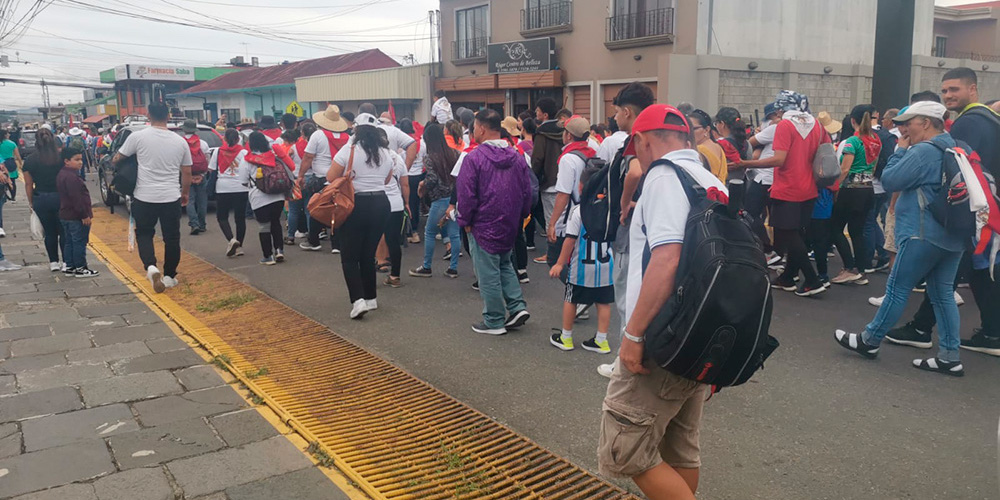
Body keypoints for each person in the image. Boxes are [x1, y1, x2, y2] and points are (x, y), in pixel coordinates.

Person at [598, 104, 727, 500]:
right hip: (700, 331)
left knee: (624, 451)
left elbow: (667, 258)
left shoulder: (663, 178)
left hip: (662, 335)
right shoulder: (707, 178)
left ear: (641, 140)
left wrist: (634, 334)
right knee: (678, 445)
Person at [834, 101, 967, 376]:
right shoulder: (956, 146)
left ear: (926, 123)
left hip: (921, 233)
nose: (904, 128)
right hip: (953, 234)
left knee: (897, 288)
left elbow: (891, 179)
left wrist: (900, 151)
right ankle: (949, 356)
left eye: (910, 122)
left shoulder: (924, 150)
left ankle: (869, 340)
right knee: (942, 294)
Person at [887, 68, 1000, 356]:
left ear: (972, 89)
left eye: (955, 90)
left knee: (946, 279)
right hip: (985, 210)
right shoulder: (989, 120)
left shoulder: (968, 124)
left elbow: (957, 173)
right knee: (977, 273)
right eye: (945, 90)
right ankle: (989, 333)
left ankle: (917, 330)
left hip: (970, 213)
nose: (948, 95)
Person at [740, 90, 829, 296]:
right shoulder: (817, 125)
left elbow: (779, 159)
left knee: (788, 235)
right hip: (810, 187)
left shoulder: (785, 126)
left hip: (787, 187)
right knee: (796, 233)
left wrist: (746, 163)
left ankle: (812, 280)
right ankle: (788, 277)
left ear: (780, 109)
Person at [594, 81, 655, 378]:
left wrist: (625, 202)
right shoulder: (662, 136)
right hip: (658, 230)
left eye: (617, 111)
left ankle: (624, 362)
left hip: (632, 232)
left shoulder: (636, 138)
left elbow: (634, 171)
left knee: (626, 296)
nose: (615, 117)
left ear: (628, 112)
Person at [456, 109, 533, 335]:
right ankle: (517, 306)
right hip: (510, 220)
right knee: (504, 264)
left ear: (480, 128)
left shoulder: (474, 159)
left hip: (483, 222)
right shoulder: (516, 157)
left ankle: (494, 319)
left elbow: (466, 194)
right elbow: (527, 190)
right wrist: (523, 214)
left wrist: (465, 220)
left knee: (487, 271)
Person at [113, 102, 192, 294]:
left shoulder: (138, 137)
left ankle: (150, 267)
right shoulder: (180, 141)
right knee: (172, 238)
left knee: (145, 233)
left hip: (144, 196)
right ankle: (169, 276)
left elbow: (117, 158)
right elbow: (187, 171)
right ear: (169, 116)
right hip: (171, 196)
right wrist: (185, 193)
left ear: (148, 116)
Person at [327, 113, 395, 320]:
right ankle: (370, 297)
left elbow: (331, 177)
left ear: (356, 129)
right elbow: (387, 179)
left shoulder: (349, 150)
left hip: (355, 204)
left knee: (349, 256)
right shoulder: (386, 152)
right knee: (368, 253)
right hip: (381, 203)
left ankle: (357, 301)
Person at [548, 164, 614, 354]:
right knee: (603, 302)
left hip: (581, 267)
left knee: (571, 299)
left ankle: (566, 337)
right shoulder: (610, 210)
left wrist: (560, 263)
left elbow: (570, 240)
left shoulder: (579, 211)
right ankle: (602, 340)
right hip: (604, 267)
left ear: (580, 187)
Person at [828, 104, 880, 286]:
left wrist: (835, 187)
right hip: (868, 188)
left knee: (834, 228)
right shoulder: (875, 141)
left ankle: (849, 268)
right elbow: (873, 167)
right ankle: (861, 269)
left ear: (852, 121)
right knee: (857, 231)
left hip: (850, 189)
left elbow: (845, 168)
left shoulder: (852, 142)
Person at [410, 123, 461, 279]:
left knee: (430, 232)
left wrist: (422, 185)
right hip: (454, 199)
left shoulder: (430, 157)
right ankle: (453, 268)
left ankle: (427, 267)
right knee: (454, 234)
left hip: (439, 200)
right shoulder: (455, 153)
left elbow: (432, 179)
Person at [546, 116, 595, 274]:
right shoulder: (593, 152)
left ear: (568, 135)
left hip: (568, 219)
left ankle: (575, 291)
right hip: (588, 213)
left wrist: (552, 223)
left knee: (555, 260)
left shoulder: (568, 158)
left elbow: (563, 194)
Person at [298, 105, 350, 252]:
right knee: (338, 209)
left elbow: (308, 157)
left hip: (322, 178)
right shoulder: (348, 137)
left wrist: (301, 175)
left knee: (317, 208)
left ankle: (314, 241)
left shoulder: (318, 135)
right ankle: (337, 244)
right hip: (340, 179)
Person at [242, 132, 293, 266]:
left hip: (259, 198)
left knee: (264, 226)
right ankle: (279, 250)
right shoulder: (273, 156)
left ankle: (268, 256)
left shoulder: (247, 159)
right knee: (276, 223)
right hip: (278, 196)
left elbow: (242, 180)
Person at [21, 128, 63, 270]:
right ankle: (66, 262)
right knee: (63, 231)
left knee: (49, 232)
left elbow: (28, 184)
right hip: (60, 197)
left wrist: (31, 202)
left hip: (41, 198)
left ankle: (53, 263)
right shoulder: (60, 157)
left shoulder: (30, 160)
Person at [531, 97, 565, 264]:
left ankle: (552, 254)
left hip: (548, 181)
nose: (536, 114)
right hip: (565, 179)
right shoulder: (564, 129)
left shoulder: (542, 133)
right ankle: (564, 251)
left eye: (537, 111)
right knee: (564, 218)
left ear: (544, 114)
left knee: (551, 219)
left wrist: (533, 177)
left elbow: (537, 159)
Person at [56, 147, 97, 277]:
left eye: (81, 159)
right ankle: (81, 267)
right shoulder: (72, 177)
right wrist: (84, 215)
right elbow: (76, 199)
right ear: (66, 161)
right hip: (76, 215)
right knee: (79, 241)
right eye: (77, 159)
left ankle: (70, 266)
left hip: (65, 214)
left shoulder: (63, 174)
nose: (80, 162)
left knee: (69, 241)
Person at [210, 129, 249, 257]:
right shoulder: (244, 152)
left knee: (222, 217)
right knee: (240, 218)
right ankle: (240, 247)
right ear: (238, 139)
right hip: (241, 188)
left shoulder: (217, 151)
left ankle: (231, 240)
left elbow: (211, 170)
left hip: (223, 188)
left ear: (225, 139)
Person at [381, 143, 410, 287]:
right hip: (396, 203)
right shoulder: (397, 158)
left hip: (377, 203)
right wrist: (407, 203)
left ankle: (365, 277)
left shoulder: (374, 156)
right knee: (393, 241)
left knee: (369, 240)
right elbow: (405, 184)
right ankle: (395, 276)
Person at [398, 118, 425, 245]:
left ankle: (407, 231)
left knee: (405, 203)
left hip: (405, 176)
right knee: (415, 204)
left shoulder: (401, 144)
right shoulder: (421, 142)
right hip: (418, 175)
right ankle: (415, 230)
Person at [181, 120, 210, 235]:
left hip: (186, 175)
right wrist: (202, 175)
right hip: (201, 176)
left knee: (189, 200)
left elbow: (178, 162)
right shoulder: (202, 143)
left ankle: (194, 224)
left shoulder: (181, 143)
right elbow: (208, 160)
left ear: (184, 129)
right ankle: (202, 224)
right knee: (202, 200)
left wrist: (185, 175)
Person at [688, 110, 728, 184]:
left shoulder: (699, 150)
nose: (689, 132)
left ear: (706, 129)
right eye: (687, 128)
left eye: (693, 129)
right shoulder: (717, 146)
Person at [0, 130, 22, 205]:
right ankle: (13, 197)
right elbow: (18, 155)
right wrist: (20, 163)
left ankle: (4, 195)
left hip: (2, 165)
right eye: (8, 133)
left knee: (3, 181)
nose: (9, 134)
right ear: (5, 135)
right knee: (12, 181)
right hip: (11, 163)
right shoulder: (12, 143)